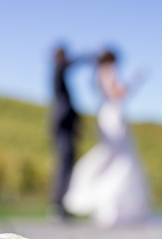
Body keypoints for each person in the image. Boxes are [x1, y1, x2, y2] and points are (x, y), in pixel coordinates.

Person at [62, 49, 152, 227]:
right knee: (119, 158)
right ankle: (112, 204)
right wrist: (136, 80)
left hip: (107, 114)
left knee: (116, 157)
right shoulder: (108, 72)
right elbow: (118, 94)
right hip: (113, 116)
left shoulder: (98, 74)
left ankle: (117, 206)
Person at [49, 45, 86, 220]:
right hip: (62, 125)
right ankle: (58, 205)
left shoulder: (60, 73)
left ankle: (63, 204)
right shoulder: (58, 69)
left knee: (67, 163)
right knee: (64, 164)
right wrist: (90, 56)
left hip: (67, 125)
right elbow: (68, 64)